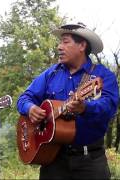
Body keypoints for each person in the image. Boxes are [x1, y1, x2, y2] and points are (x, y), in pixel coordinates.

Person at [16, 22, 119, 179]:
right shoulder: (51, 73)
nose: (59, 47)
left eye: (65, 42)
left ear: (82, 45)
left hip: (90, 162)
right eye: (60, 42)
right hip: (52, 158)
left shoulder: (103, 76)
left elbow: (109, 107)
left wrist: (85, 108)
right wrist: (30, 108)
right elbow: (24, 98)